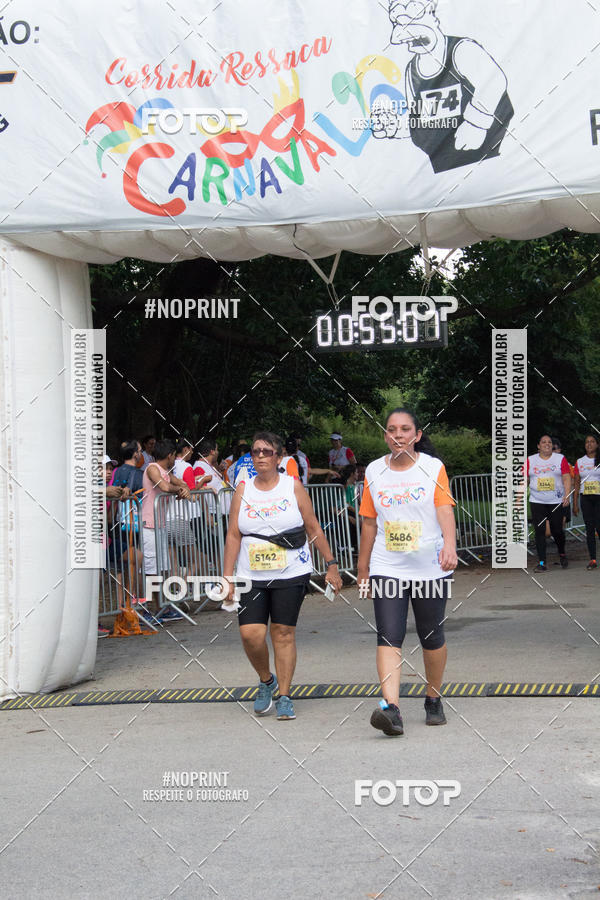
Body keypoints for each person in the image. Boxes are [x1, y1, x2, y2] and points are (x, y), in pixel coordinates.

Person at [223, 432, 342, 720]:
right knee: (251, 634)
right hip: (252, 573)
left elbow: (313, 526)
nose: (260, 456)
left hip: (291, 570)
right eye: (255, 452)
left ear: (278, 457)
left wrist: (332, 564)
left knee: (283, 633)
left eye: (266, 451)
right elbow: (234, 534)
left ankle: (285, 695)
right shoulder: (243, 489)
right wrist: (226, 577)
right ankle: (267, 680)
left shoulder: (293, 486)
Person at [357, 408, 457, 736]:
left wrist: (450, 545)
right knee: (388, 633)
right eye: (391, 430)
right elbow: (369, 523)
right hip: (389, 565)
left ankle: (433, 697)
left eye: (404, 429)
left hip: (430, 566)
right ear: (385, 436)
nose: (397, 434)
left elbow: (444, 509)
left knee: (432, 637)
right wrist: (363, 567)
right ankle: (392, 709)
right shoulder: (374, 470)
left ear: (416, 435)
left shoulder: (432, 468)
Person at [141, 439, 191, 622]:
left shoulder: (167, 472)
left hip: (160, 526)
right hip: (149, 526)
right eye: (173, 457)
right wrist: (179, 490)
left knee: (161, 569)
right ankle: (145, 608)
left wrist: (182, 489)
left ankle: (162, 607)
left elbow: (182, 484)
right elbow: (164, 486)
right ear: (170, 455)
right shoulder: (152, 468)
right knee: (151, 570)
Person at [527, 434, 571, 573]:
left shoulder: (560, 459)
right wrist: (518, 497)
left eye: (549, 442)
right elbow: (524, 479)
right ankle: (542, 562)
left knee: (557, 530)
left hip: (556, 501)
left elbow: (566, 477)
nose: (547, 444)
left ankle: (562, 553)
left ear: (552, 446)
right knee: (539, 532)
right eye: (543, 442)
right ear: (538, 446)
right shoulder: (530, 460)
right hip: (537, 501)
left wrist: (567, 495)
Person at [573, 435, 600, 570]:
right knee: (589, 529)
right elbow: (577, 482)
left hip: (599, 497)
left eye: (592, 442)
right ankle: (593, 560)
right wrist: (575, 503)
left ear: (597, 444)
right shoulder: (580, 462)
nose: (589, 444)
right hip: (586, 498)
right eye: (587, 442)